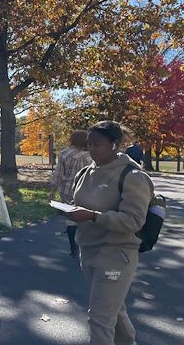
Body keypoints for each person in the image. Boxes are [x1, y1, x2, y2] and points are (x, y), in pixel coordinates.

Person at [66, 120, 152, 345]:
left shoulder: (133, 176)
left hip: (117, 254)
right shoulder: (85, 172)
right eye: (88, 144)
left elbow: (134, 221)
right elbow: (80, 202)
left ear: (114, 145)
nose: (91, 149)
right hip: (88, 249)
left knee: (99, 318)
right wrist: (71, 211)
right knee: (115, 311)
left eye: (97, 144)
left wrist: (94, 216)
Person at [49, 130, 92, 257]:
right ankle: (86, 245)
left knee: (71, 218)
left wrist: (52, 191)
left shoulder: (64, 154)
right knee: (86, 217)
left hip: (67, 190)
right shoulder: (90, 156)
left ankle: (73, 247)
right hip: (86, 190)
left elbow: (58, 175)